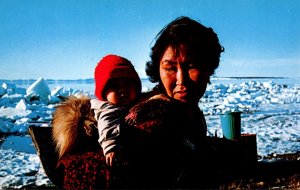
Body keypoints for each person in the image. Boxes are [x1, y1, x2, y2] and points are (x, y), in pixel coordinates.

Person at [123, 16, 224, 188]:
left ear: (209, 69)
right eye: (170, 68)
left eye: (191, 66)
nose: (181, 80)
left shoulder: (188, 112)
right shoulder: (151, 118)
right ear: (158, 70)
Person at [90, 54, 141, 167]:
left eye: (127, 84)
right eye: (114, 86)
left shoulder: (137, 102)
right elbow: (107, 123)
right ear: (103, 92)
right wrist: (111, 146)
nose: (122, 90)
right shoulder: (107, 108)